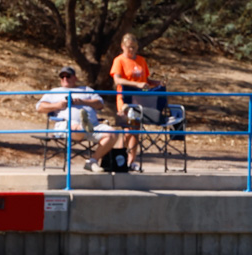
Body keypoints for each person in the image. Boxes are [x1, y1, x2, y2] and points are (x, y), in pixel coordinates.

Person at [35, 65, 120, 173]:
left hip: (93, 125)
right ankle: (83, 125)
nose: (65, 78)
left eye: (68, 76)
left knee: (113, 133)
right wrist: (58, 105)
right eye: (62, 77)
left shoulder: (86, 90)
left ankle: (92, 161)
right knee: (76, 127)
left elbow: (100, 104)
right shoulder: (55, 91)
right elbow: (39, 107)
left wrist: (82, 101)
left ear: (75, 78)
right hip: (66, 125)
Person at [110, 33, 160, 172]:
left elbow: (145, 80)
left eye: (134, 47)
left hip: (140, 99)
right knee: (128, 129)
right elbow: (117, 80)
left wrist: (156, 83)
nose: (131, 50)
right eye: (128, 47)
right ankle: (119, 158)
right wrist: (136, 84)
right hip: (125, 99)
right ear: (122, 46)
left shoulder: (141, 60)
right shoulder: (119, 60)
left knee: (135, 130)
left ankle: (131, 161)